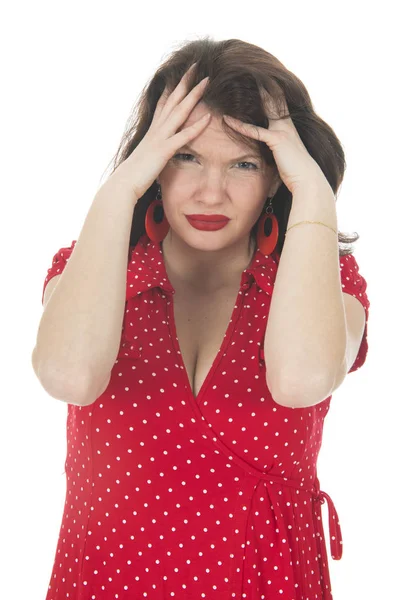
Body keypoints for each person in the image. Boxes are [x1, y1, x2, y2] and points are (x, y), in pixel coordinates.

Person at [33, 37, 370, 600]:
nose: (210, 193)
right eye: (186, 157)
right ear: (154, 164)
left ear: (275, 178)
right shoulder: (92, 268)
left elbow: (302, 381)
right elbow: (67, 375)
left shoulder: (325, 284)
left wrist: (313, 190)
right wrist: (121, 189)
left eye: (244, 163)